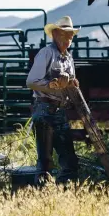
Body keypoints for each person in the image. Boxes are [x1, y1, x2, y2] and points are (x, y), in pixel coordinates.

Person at [26, 16, 81, 184]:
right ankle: (43, 198)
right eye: (64, 35)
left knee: (70, 162)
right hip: (44, 109)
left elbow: (73, 83)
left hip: (60, 110)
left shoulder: (69, 58)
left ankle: (62, 197)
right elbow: (31, 82)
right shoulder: (46, 53)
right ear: (55, 34)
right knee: (45, 162)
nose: (68, 39)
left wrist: (72, 83)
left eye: (70, 35)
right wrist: (53, 85)